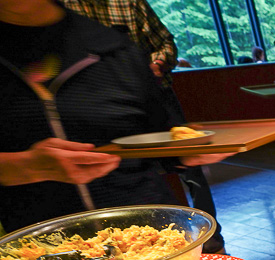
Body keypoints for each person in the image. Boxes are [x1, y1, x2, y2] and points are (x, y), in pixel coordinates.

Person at [0, 0, 231, 234]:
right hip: (37, 250)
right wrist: (23, 167)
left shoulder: (115, 48)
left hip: (148, 236)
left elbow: (158, 135)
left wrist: (185, 152)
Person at [62, 0, 224, 252]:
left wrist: (154, 65)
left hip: (145, 107)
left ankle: (210, 242)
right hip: (80, 170)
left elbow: (165, 44)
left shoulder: (127, 4)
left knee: (189, 169)